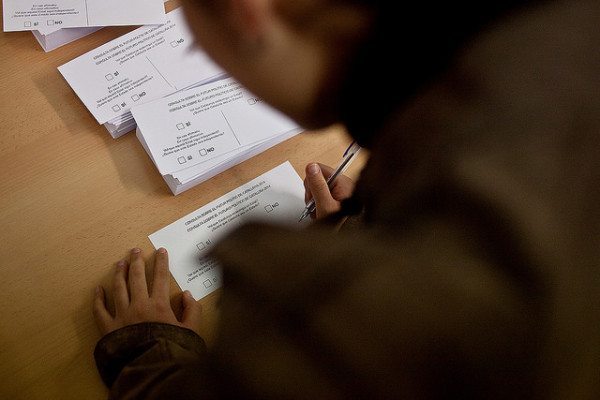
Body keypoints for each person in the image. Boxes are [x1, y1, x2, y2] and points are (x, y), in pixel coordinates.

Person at [92, 0, 600, 398]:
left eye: (199, 47)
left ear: (251, 11)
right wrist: (378, 223)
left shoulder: (393, 321)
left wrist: (145, 353)